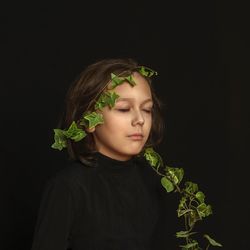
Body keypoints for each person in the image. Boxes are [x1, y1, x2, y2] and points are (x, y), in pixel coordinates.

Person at [31, 58, 178, 250]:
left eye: (147, 109)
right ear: (89, 120)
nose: (140, 120)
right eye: (124, 109)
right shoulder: (69, 187)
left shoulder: (153, 182)